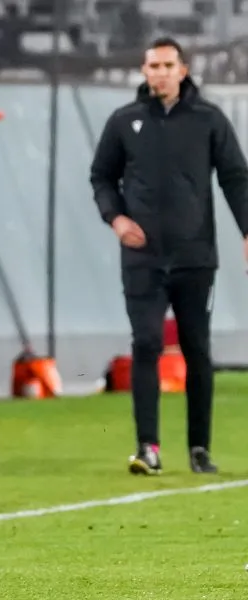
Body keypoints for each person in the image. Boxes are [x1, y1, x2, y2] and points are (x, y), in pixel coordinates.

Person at [90, 37, 248, 476]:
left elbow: (236, 177)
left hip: (196, 257)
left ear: (183, 69)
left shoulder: (209, 119)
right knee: (146, 343)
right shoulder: (125, 121)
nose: (159, 72)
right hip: (142, 258)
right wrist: (116, 219)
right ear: (144, 71)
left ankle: (199, 448)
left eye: (166, 65)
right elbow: (102, 177)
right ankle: (149, 448)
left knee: (197, 349)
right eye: (152, 65)